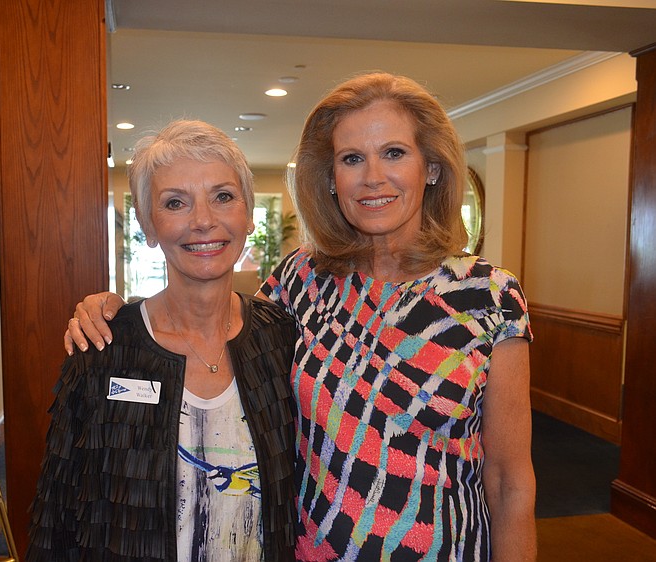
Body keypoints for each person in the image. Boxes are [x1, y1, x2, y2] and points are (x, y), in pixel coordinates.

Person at [67, 72, 537, 561]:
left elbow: (510, 484)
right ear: (331, 178)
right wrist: (116, 309)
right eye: (351, 158)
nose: (373, 176)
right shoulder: (302, 280)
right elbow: (214, 318)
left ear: (432, 168)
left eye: (394, 153)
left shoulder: (489, 295)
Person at [27, 120, 299, 561]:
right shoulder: (103, 346)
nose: (204, 221)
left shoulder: (283, 338)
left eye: (223, 197)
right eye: (176, 203)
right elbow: (55, 517)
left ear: (248, 215)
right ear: (148, 226)